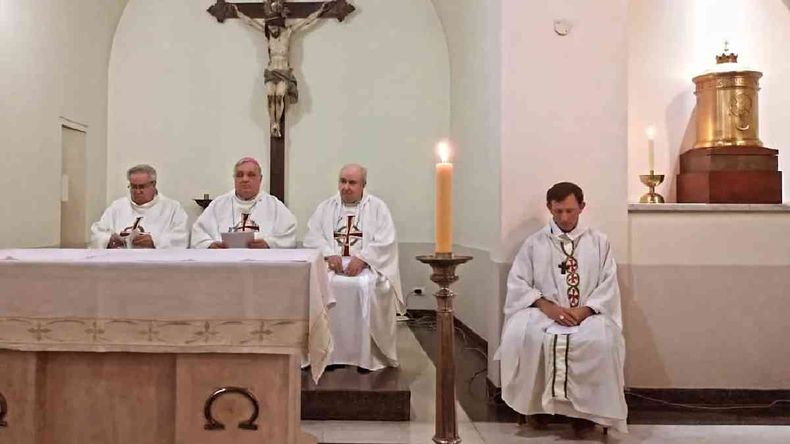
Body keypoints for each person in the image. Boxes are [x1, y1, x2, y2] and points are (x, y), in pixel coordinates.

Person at [495, 182, 627, 436]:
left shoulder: (599, 243)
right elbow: (518, 283)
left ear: (581, 208)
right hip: (543, 312)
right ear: (549, 209)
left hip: (587, 313)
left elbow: (608, 285)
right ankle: (537, 409)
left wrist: (585, 310)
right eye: (558, 212)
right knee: (525, 335)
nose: (564, 218)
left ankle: (585, 414)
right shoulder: (534, 244)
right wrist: (547, 307)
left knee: (600, 341)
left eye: (570, 211)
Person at [303, 164, 404, 371]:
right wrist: (329, 253)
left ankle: (366, 357)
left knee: (368, 286)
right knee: (323, 285)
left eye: (352, 182)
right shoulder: (326, 207)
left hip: (367, 266)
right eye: (343, 181)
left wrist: (364, 258)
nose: (346, 187)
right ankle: (328, 355)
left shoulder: (377, 208)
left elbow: (386, 241)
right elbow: (313, 236)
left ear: (363, 185)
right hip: (333, 265)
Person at [233, 1, 334, 137]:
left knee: (279, 95)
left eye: (274, 26)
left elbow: (306, 22)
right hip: (271, 71)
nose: (272, 29)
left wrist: (320, 11)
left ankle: (277, 122)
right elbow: (250, 22)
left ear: (279, 24)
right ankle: (274, 123)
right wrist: (237, 12)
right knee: (270, 97)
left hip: (284, 72)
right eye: (271, 26)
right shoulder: (267, 33)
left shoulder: (288, 33)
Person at [191, 157, 296, 249]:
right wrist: (210, 245)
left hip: (262, 265)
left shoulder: (274, 205)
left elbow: (289, 235)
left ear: (260, 179)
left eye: (251, 175)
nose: (245, 179)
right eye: (240, 175)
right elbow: (199, 234)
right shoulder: (219, 204)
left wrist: (268, 243)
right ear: (234, 179)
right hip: (224, 264)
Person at [90, 164, 188, 249]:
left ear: (154, 184)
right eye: (133, 186)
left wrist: (155, 242)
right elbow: (97, 234)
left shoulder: (172, 208)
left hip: (156, 266)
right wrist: (109, 240)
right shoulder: (117, 207)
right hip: (120, 264)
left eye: (141, 187)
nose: (137, 191)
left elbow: (180, 237)